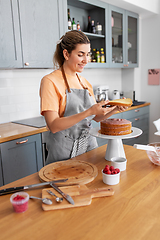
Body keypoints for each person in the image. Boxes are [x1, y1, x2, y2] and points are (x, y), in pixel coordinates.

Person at [40, 30, 127, 165]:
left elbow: (95, 117)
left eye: (88, 54)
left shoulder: (85, 83)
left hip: (89, 147)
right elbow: (54, 125)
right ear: (66, 54)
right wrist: (89, 111)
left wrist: (115, 109)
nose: (86, 60)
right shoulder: (50, 81)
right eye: (81, 55)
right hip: (63, 152)